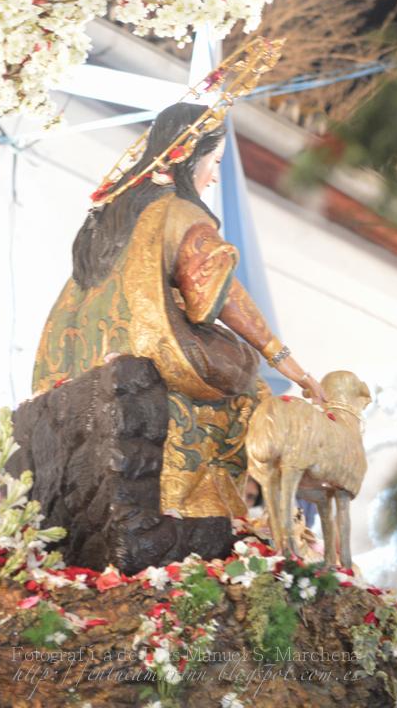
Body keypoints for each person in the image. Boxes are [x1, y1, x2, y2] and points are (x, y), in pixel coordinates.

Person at [33, 101, 326, 520]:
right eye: (215, 161)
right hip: (153, 354)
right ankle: (199, 503)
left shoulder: (115, 214)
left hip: (75, 367)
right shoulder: (180, 213)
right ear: (190, 156)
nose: (213, 176)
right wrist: (286, 362)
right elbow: (219, 298)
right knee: (245, 385)